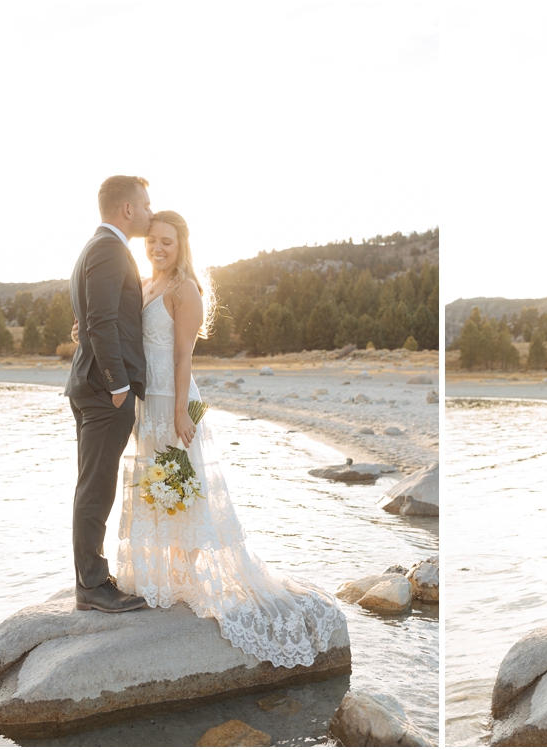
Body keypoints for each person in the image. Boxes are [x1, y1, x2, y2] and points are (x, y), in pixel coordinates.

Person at [112, 210, 347, 667]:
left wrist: (181, 411)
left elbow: (183, 356)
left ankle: (194, 577)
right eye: (153, 241)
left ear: (182, 245)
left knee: (185, 488)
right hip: (148, 404)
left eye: (167, 242)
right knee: (156, 488)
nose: (158, 249)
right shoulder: (144, 285)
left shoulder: (185, 289)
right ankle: (166, 577)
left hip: (174, 402)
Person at [65, 175, 152, 614]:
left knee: (92, 485)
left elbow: (93, 318)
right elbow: (99, 320)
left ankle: (91, 575)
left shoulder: (96, 248)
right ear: (127, 209)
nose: (151, 212)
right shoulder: (109, 249)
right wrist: (119, 385)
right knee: (96, 488)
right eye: (146, 205)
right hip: (104, 389)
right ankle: (92, 586)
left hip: (91, 383)